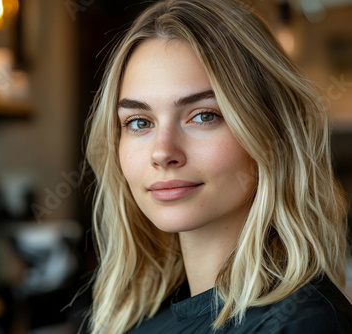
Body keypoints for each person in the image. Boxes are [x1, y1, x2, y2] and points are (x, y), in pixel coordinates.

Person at [84, 0, 352, 333]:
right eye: (139, 122)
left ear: (271, 132)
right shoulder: (136, 320)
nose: (163, 152)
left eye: (204, 116)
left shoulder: (303, 324)